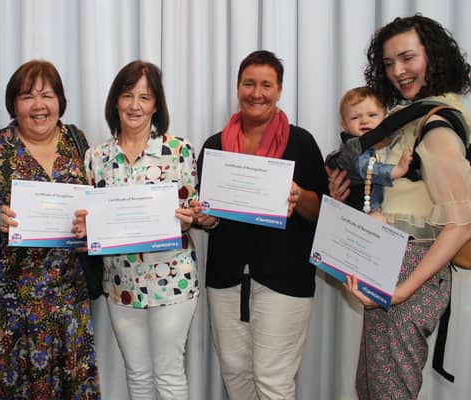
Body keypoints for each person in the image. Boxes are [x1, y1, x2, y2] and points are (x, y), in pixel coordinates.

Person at [333, 15, 471, 399]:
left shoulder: (437, 126)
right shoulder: (416, 116)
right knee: (374, 388)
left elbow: (462, 223)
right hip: (393, 263)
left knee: (389, 391)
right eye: (389, 63)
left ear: (434, 56)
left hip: (410, 272)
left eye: (407, 58)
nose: (398, 71)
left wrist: (400, 291)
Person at [193, 50, 328, 400]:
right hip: (227, 279)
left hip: (285, 279)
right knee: (235, 375)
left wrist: (300, 196)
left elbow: (321, 212)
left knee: (272, 380)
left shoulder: (301, 142)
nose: (257, 93)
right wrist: (205, 220)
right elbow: (208, 213)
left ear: (279, 90)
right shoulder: (214, 147)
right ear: (238, 88)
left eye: (266, 84)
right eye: (249, 83)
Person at [0, 60, 100, 399]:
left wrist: (92, 227)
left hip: (67, 302)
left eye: (47, 95)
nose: (39, 106)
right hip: (5, 307)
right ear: (13, 104)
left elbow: (99, 202)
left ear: (60, 101)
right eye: (28, 96)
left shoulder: (79, 143)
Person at [73, 60, 198, 400]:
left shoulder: (178, 150)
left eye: (145, 97)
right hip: (120, 282)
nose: (134, 105)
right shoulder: (96, 157)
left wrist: (190, 217)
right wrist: (86, 230)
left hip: (172, 279)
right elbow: (90, 218)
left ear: (156, 104)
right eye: (127, 95)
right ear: (115, 101)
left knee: (169, 374)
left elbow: (193, 211)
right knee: (137, 374)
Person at [330, 86, 412, 213]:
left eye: (372, 115)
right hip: (364, 211)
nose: (364, 121)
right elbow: (365, 168)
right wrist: (397, 170)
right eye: (355, 118)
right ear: (344, 125)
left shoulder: (397, 136)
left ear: (385, 116)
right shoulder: (352, 147)